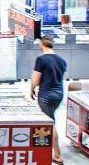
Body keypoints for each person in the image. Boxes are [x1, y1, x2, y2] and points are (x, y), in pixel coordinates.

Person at [30, 36, 67, 164]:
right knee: (51, 119)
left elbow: (35, 79)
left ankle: (57, 155)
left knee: (50, 123)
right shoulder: (62, 60)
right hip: (59, 94)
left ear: (42, 44)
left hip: (46, 94)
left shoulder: (41, 59)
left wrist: (31, 89)